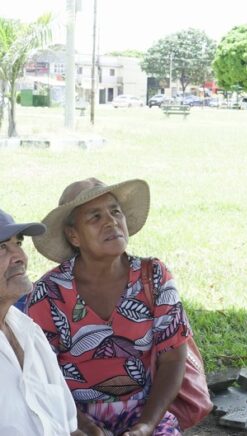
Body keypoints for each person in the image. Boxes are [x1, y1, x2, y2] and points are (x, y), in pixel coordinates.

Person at [27, 178, 192, 436]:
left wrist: (146, 425)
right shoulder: (50, 292)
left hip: (145, 410)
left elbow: (173, 359)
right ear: (74, 235)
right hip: (70, 416)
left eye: (115, 211)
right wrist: (83, 426)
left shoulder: (154, 276)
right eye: (95, 216)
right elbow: (42, 374)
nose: (111, 221)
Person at [0, 208, 79, 435]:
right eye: (2, 247)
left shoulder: (28, 331)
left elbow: (69, 426)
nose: (20, 257)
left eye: (18, 244)